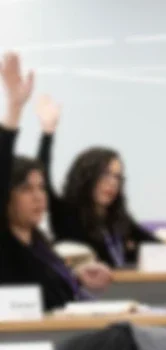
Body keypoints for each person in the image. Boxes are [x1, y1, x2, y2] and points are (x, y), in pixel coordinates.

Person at [0, 52, 111, 310]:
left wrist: (74, 278)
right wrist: (14, 109)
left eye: (41, 189)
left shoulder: (38, 241)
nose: (39, 196)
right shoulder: (5, 243)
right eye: (26, 189)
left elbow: (51, 296)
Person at [34, 97, 157, 268]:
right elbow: (42, 176)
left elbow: (157, 247)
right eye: (105, 175)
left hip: (125, 288)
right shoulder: (66, 213)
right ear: (87, 176)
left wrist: (132, 251)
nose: (113, 183)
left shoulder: (119, 217)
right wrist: (48, 133)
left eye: (117, 177)